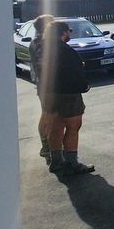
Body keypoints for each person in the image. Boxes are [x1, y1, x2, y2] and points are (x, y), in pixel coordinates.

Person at [42, 20, 93, 175]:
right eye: (68, 31)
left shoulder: (44, 48)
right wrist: (84, 86)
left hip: (49, 93)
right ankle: (72, 162)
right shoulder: (67, 51)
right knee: (73, 127)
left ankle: (56, 161)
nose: (70, 33)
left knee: (55, 127)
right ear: (63, 33)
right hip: (68, 94)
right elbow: (75, 74)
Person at [30, 13, 58, 165]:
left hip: (44, 85)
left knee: (48, 114)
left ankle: (49, 147)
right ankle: (47, 147)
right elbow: (43, 62)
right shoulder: (42, 42)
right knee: (49, 115)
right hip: (48, 86)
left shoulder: (40, 41)